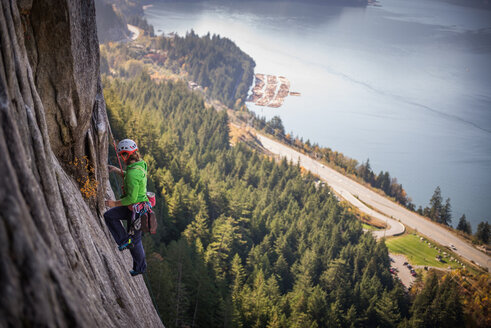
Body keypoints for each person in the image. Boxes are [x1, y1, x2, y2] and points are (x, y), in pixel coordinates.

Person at [104, 139, 149, 276]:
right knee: (109, 216)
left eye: (122, 154)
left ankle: (140, 267)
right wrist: (117, 170)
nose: (122, 158)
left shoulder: (133, 173)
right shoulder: (140, 165)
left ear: (126, 154)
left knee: (135, 240)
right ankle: (126, 241)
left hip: (136, 210)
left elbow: (131, 198)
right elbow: (131, 177)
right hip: (137, 208)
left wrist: (114, 203)